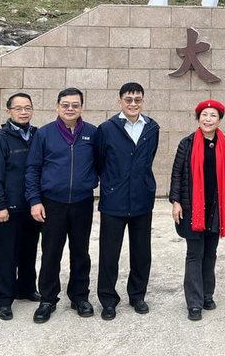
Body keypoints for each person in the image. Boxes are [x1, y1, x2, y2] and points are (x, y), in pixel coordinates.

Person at [25, 88, 98, 323]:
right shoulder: (44, 134)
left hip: (82, 202)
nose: (70, 109)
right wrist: (35, 201)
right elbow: (33, 169)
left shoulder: (92, 133)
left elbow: (102, 164)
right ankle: (48, 299)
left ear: (82, 108)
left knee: (80, 252)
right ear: (57, 107)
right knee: (51, 253)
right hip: (52, 204)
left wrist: (91, 182)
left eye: (75, 105)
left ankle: (79, 296)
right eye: (65, 104)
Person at [94, 82, 160, 321]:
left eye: (138, 100)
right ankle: (108, 299)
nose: (133, 104)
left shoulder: (152, 127)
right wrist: (112, 184)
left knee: (142, 252)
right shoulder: (106, 128)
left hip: (142, 198)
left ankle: (137, 295)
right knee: (109, 253)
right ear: (120, 101)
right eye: (129, 99)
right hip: (114, 200)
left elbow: (148, 159)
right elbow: (100, 161)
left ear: (143, 101)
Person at [169, 100, 225, 321]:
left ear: (219, 120)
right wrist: (176, 202)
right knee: (194, 254)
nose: (208, 119)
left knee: (211, 253)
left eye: (213, 116)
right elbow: (177, 174)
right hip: (192, 207)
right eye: (204, 115)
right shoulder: (187, 143)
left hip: (216, 207)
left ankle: (207, 295)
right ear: (198, 118)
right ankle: (194, 302)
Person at [0, 92, 42, 321]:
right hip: (8, 209)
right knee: (6, 256)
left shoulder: (38, 135)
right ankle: (4, 300)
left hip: (32, 207)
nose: (23, 112)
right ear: (8, 112)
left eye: (27, 107)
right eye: (18, 108)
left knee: (29, 251)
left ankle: (26, 289)